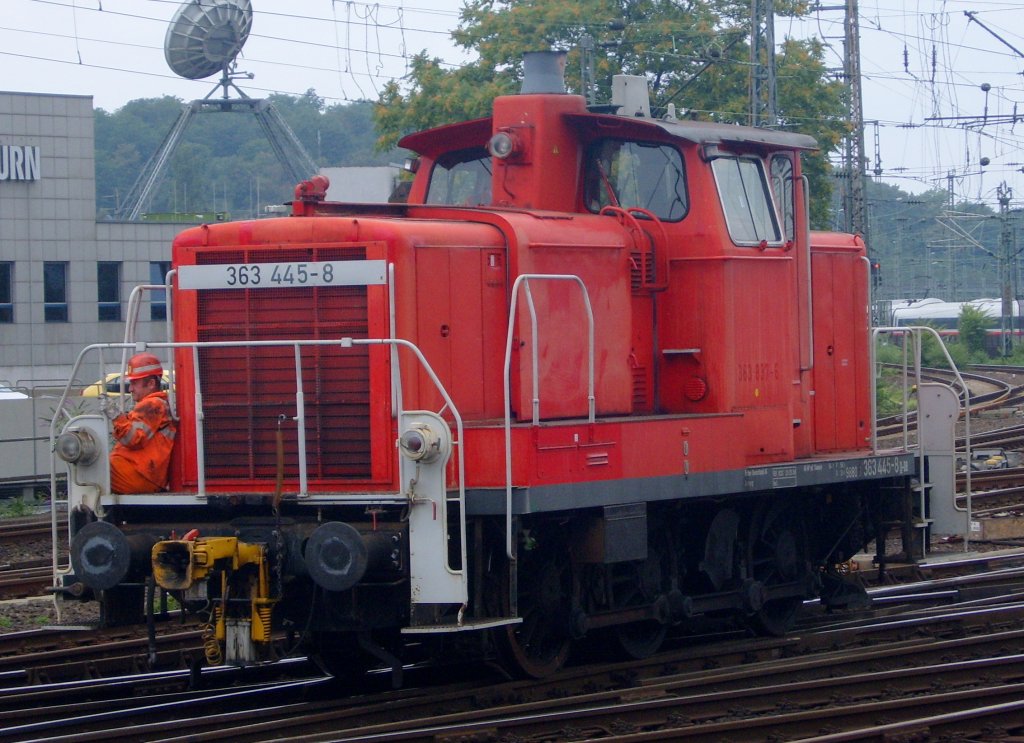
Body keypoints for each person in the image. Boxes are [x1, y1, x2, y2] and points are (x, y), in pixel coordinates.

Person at [109, 352, 176, 494]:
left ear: (151, 384)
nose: (130, 389)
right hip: (141, 474)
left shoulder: (152, 404)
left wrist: (116, 417)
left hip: (139, 475)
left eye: (134, 383)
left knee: (90, 466)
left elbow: (133, 439)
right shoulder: (155, 405)